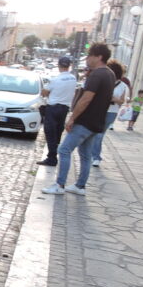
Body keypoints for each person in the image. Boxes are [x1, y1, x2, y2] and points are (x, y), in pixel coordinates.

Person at [42, 43, 114, 196]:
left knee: (64, 149)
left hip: (85, 121)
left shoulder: (97, 74)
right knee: (85, 154)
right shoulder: (110, 74)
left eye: (90, 55)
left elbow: (86, 99)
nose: (87, 59)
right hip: (97, 122)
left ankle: (60, 185)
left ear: (99, 57)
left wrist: (72, 118)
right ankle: (80, 186)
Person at [37, 57, 77, 166]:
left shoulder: (56, 79)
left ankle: (52, 158)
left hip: (53, 108)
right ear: (69, 66)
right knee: (58, 132)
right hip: (64, 109)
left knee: (50, 133)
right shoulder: (73, 78)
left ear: (59, 66)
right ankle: (54, 153)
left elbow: (45, 93)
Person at [91, 60, 127, 166]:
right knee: (95, 133)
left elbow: (122, 101)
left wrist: (113, 99)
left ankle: (96, 157)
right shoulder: (105, 81)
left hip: (111, 111)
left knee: (99, 134)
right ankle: (93, 154)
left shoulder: (122, 85)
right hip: (100, 109)